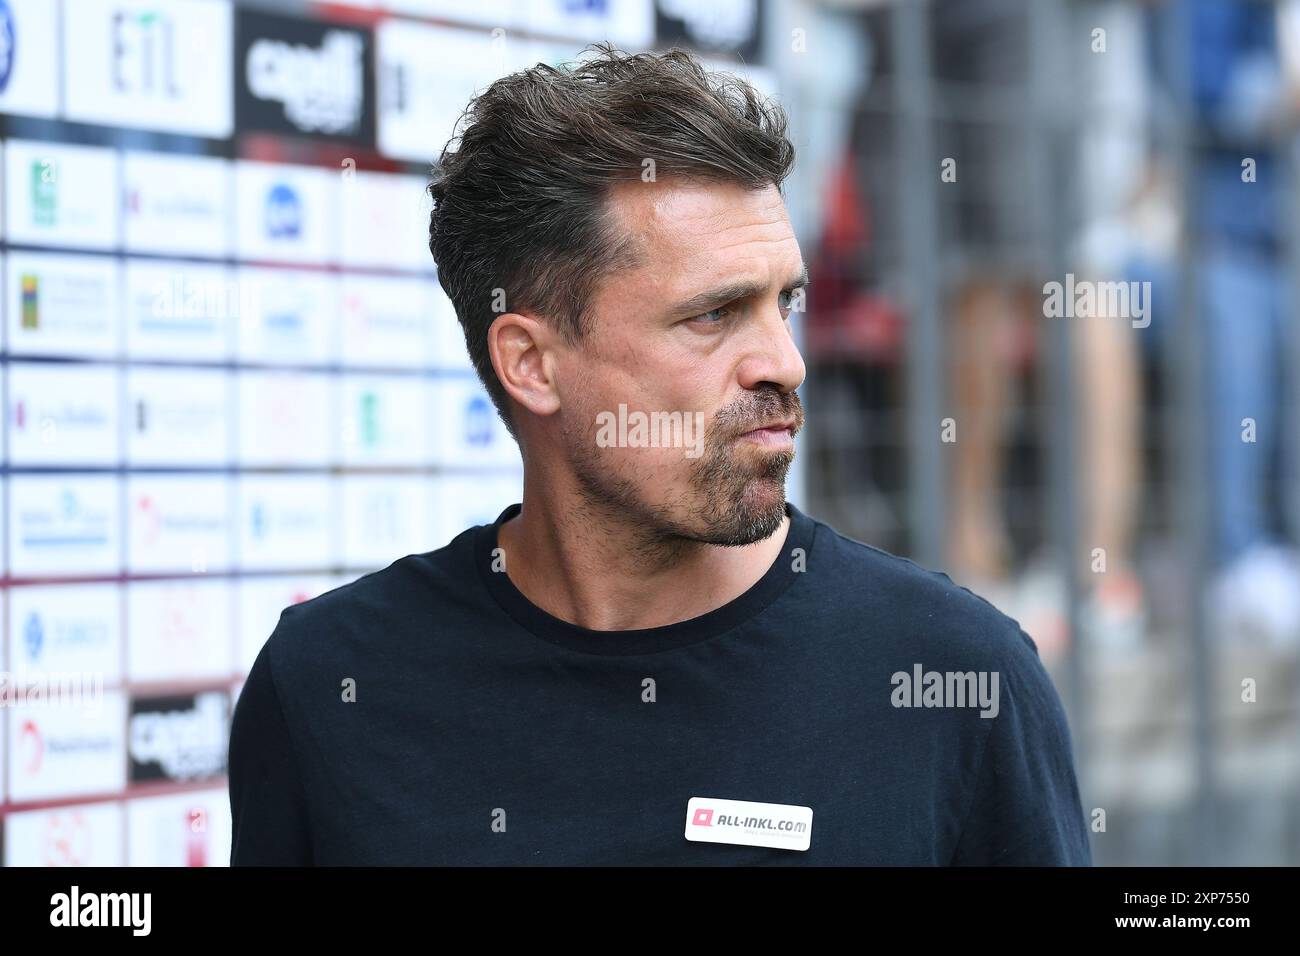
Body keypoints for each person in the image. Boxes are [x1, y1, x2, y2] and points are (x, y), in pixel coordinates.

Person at [227, 43, 1091, 866]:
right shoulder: (332, 683)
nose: (784, 363)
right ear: (530, 362)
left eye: (782, 304)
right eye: (712, 315)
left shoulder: (953, 676)